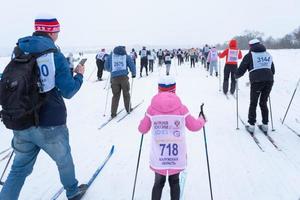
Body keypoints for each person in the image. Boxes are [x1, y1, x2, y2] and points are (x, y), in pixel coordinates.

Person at [0, 15, 86, 200]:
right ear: (51, 32)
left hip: (21, 120)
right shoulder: (54, 53)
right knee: (63, 160)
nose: (58, 34)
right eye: (57, 31)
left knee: (18, 170)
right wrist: (78, 76)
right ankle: (73, 192)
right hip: (51, 122)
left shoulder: (19, 50)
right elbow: (68, 91)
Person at [138, 76, 206, 200]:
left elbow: (142, 129)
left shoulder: (151, 109)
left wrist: (145, 118)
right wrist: (202, 120)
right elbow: (194, 126)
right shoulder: (181, 108)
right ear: (174, 90)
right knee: (174, 183)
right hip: (176, 155)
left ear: (159, 90)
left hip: (159, 156)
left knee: (158, 183)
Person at [235, 39, 275, 133]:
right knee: (263, 102)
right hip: (269, 80)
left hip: (257, 81)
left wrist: (236, 75)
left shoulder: (250, 55)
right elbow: (273, 70)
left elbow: (241, 70)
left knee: (253, 103)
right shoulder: (268, 55)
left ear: (250, 46)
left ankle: (251, 125)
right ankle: (265, 125)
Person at [104, 46, 136, 118]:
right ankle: (128, 109)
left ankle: (113, 113)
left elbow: (106, 66)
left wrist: (111, 70)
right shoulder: (125, 56)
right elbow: (131, 64)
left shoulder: (111, 56)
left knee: (115, 95)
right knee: (126, 94)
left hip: (114, 78)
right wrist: (133, 73)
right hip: (124, 78)